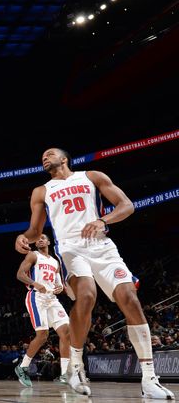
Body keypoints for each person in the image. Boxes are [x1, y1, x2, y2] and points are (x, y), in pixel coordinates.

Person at [15, 148, 174, 399]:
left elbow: (127, 206)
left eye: (50, 153)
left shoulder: (92, 176)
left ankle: (150, 378)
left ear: (65, 159)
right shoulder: (41, 191)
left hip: (102, 246)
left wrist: (103, 220)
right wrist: (24, 238)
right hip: (71, 250)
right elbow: (35, 230)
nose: (44, 157)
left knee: (130, 299)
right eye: (42, 156)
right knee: (87, 296)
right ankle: (76, 368)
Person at [13, 233, 71, 386]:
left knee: (66, 332)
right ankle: (23, 367)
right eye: (37, 238)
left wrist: (60, 288)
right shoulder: (33, 255)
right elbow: (20, 274)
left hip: (52, 299)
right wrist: (35, 284)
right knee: (43, 336)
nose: (39, 239)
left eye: (43, 238)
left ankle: (65, 374)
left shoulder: (55, 261)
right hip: (36, 297)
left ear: (48, 242)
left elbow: (59, 284)